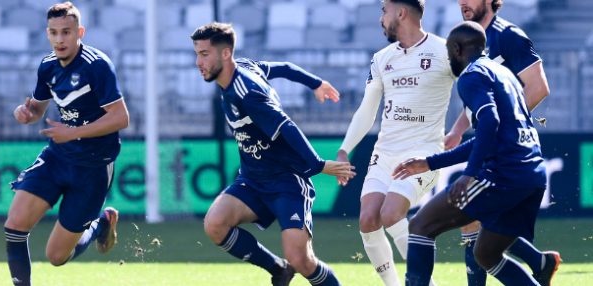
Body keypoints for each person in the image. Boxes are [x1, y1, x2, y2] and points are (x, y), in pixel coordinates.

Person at [192, 22, 356, 286]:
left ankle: (297, 268)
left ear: (225, 54)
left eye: (204, 54)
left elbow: (286, 126)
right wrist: (316, 83)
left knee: (301, 260)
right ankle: (278, 269)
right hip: (253, 179)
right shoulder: (244, 65)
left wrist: (317, 165)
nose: (198, 61)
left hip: (287, 181)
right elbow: (285, 68)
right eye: (197, 53)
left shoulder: (247, 93)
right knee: (215, 224)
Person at [393, 21, 549, 286]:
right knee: (486, 254)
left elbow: (489, 120)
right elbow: (487, 137)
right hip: (533, 174)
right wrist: (430, 163)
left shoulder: (471, 75)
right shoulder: (505, 74)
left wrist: (469, 175)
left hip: (504, 175)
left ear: (457, 49)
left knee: (420, 226)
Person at [7, 2, 128, 285]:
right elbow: (37, 108)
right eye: (54, 32)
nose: (60, 39)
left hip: (93, 166)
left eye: (66, 32)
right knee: (14, 225)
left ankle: (101, 223)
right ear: (48, 34)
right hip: (58, 156)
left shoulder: (97, 66)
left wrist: (73, 132)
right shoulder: (48, 65)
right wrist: (25, 114)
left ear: (79, 32)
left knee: (56, 256)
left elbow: (121, 118)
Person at [336, 0, 452, 285]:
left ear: (401, 13)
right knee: (367, 220)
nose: (380, 19)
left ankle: (424, 283)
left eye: (384, 11)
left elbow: (477, 88)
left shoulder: (445, 50)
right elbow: (367, 110)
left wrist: (463, 126)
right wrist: (343, 150)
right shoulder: (381, 58)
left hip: (423, 153)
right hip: (385, 152)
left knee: (391, 213)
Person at [447, 1, 559, 285]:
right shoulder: (474, 40)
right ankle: (539, 262)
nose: (463, 1)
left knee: (471, 214)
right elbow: (481, 101)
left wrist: (507, 126)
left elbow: (538, 86)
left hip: (508, 149)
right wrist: (458, 131)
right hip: (492, 143)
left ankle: (538, 262)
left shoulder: (509, 35)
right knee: (482, 222)